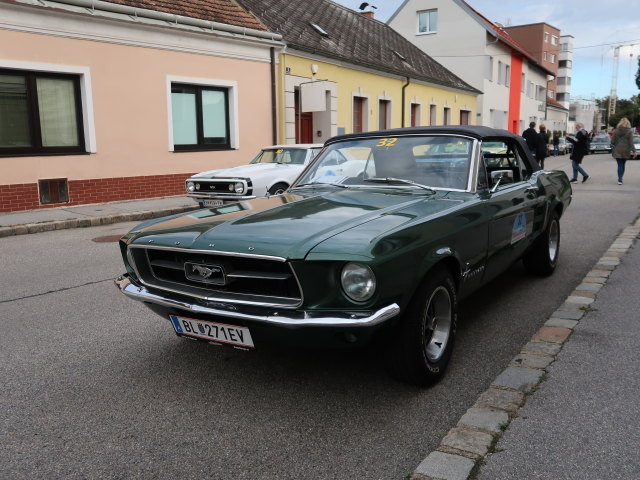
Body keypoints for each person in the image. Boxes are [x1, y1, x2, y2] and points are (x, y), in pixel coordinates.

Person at [610, 117, 638, 185]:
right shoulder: (629, 131)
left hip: (617, 150)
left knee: (619, 165)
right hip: (626, 150)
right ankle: (621, 178)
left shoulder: (616, 131)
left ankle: (620, 179)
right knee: (623, 165)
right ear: (628, 123)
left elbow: (612, 141)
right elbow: (631, 143)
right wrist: (634, 152)